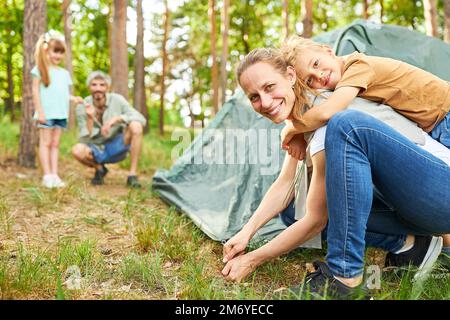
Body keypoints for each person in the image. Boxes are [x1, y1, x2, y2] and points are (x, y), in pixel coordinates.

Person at [222, 48, 450, 299]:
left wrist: (253, 259)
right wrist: (247, 231)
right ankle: (412, 244)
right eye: (254, 97)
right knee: (293, 210)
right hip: (417, 202)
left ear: (289, 77)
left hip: (440, 193)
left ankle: (344, 280)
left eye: (269, 87)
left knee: (345, 127)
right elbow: (285, 183)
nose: (264, 102)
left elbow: (315, 221)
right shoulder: (304, 115)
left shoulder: (325, 113)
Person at [278, 36, 450, 151]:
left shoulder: (357, 66)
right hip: (437, 122)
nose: (319, 75)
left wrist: (291, 129)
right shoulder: (347, 76)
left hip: (445, 114)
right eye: (309, 81)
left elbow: (328, 111)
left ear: (328, 51)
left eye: (316, 64)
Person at [71, 71, 146, 188]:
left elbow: (140, 118)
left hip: (117, 145)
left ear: (107, 87)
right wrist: (90, 118)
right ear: (89, 87)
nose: (98, 88)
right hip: (96, 149)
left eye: (102, 85)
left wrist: (117, 119)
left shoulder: (117, 100)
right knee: (77, 150)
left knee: (136, 125)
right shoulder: (82, 106)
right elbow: (84, 140)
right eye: (94, 85)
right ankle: (99, 169)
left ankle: (132, 175)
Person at [32, 30, 84, 188]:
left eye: (61, 53)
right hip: (46, 113)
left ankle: (55, 175)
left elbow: (63, 94)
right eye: (56, 52)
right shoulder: (40, 70)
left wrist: (74, 99)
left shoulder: (64, 73)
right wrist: (40, 111)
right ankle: (47, 175)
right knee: (45, 143)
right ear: (46, 50)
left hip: (61, 113)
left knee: (55, 144)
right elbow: (35, 91)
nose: (58, 56)